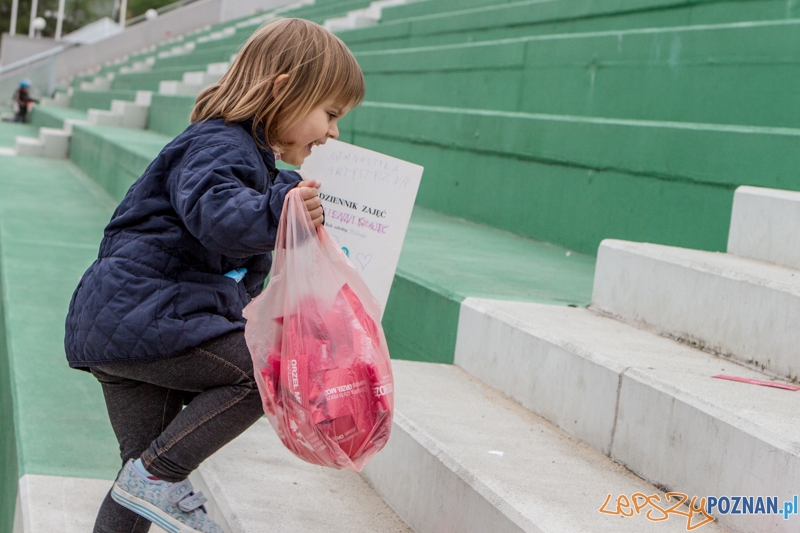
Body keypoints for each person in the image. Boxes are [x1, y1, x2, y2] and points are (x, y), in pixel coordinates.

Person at [64, 18, 365, 533]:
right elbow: (220, 219)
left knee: (140, 481)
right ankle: (157, 478)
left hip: (127, 323)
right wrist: (282, 211)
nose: (334, 132)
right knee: (261, 374)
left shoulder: (235, 154)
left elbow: (237, 266)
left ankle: (151, 482)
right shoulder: (219, 146)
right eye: (330, 114)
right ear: (284, 90)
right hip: (147, 319)